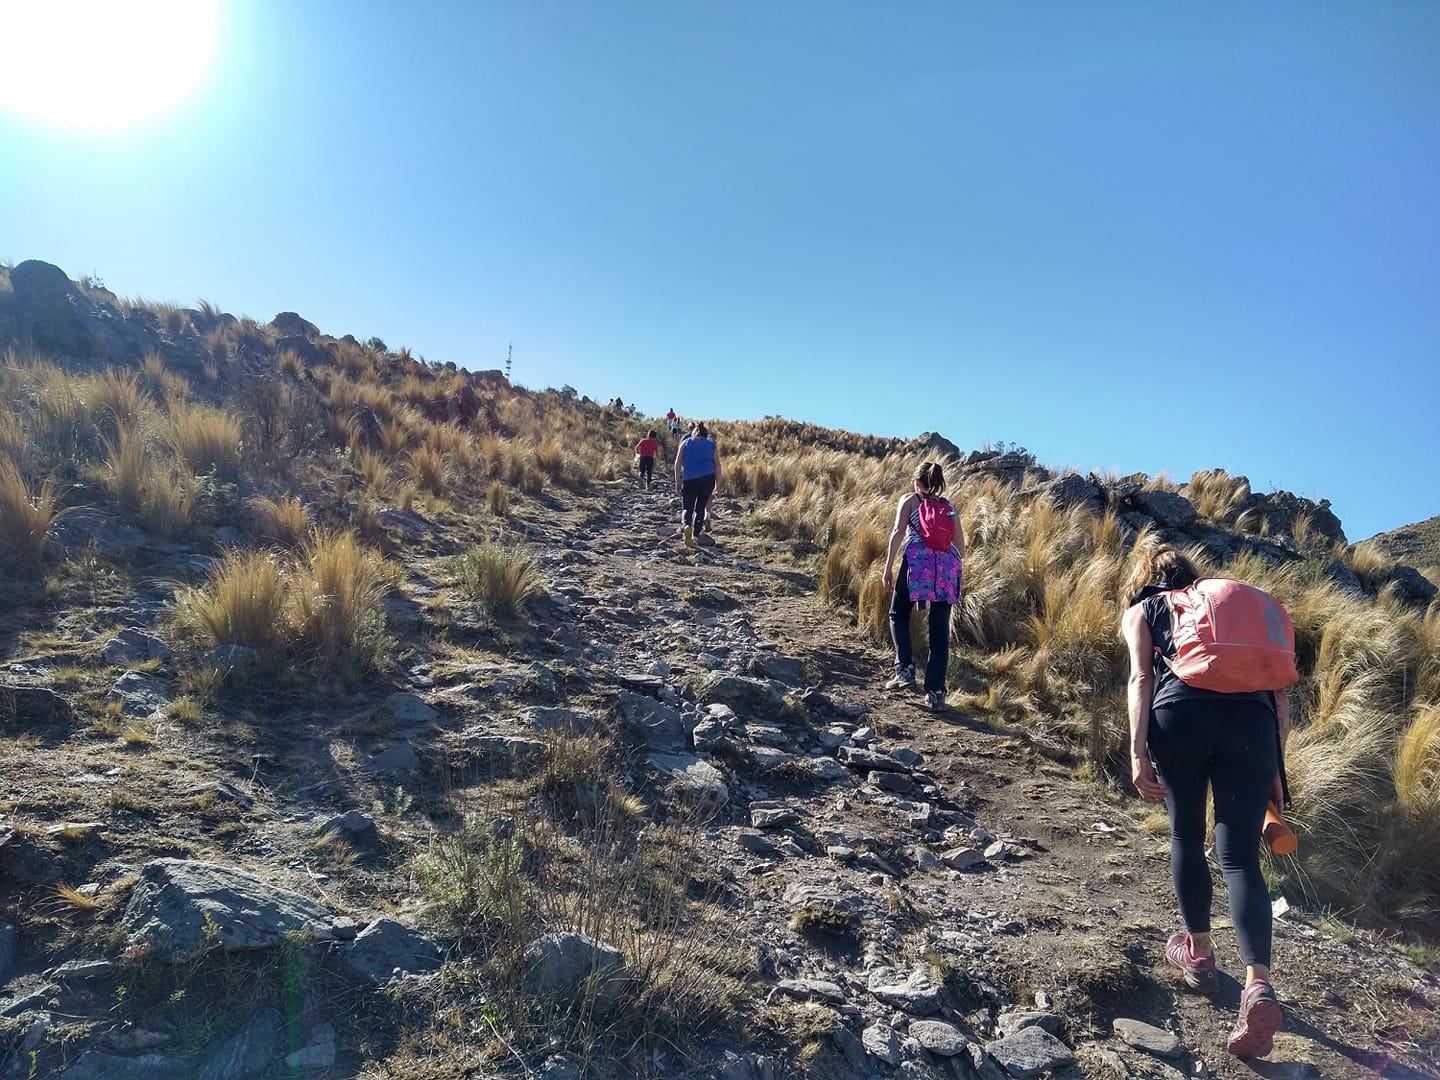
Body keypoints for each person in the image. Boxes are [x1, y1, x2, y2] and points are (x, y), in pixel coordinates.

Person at [1121, 545, 1289, 1059]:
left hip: (1182, 716)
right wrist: (1275, 769)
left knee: (1187, 836)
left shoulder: (1145, 609)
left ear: (1144, 578)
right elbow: (1280, 694)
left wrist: (1137, 753)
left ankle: (1198, 953)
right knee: (1239, 856)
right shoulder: (1234, 614)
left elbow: (1141, 678)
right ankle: (1257, 984)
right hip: (1254, 724)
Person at [880, 461, 963, 711]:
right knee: (939, 631)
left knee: (898, 614)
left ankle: (905, 670)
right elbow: (961, 547)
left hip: (917, 563)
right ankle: (936, 693)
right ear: (938, 482)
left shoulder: (910, 500)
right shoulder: (949, 508)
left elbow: (897, 532)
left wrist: (888, 568)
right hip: (946, 568)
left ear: (917, 481)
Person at [674, 421, 720, 550]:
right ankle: (695, 537)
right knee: (700, 509)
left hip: (690, 478)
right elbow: (717, 465)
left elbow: (677, 463)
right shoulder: (711, 444)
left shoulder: (685, 443)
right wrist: (718, 486)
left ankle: (686, 526)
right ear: (706, 435)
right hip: (708, 478)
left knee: (687, 507)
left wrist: (678, 481)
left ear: (693, 433)